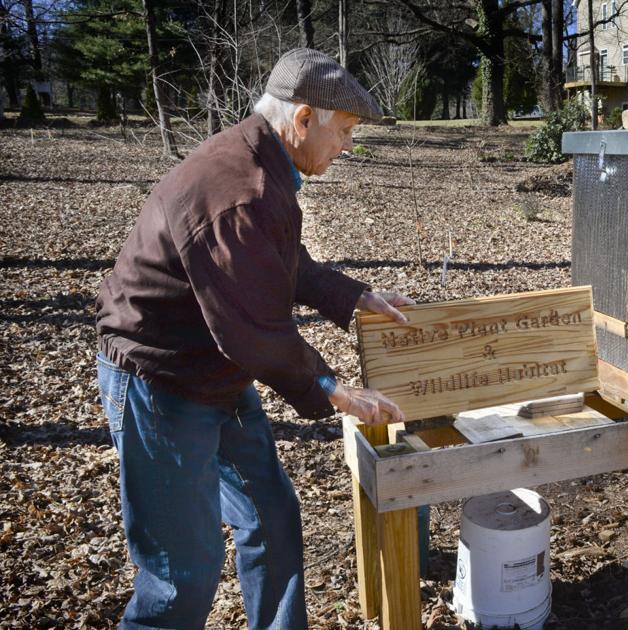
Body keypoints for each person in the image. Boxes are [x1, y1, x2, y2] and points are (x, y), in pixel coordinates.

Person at [94, 49, 406, 629]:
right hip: (160, 379)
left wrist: (355, 296)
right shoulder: (242, 187)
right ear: (305, 118)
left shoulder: (263, 164)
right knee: (180, 573)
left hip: (214, 370)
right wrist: (330, 388)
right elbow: (254, 328)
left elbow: (282, 264)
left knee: (272, 519)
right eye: (345, 131)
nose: (348, 147)